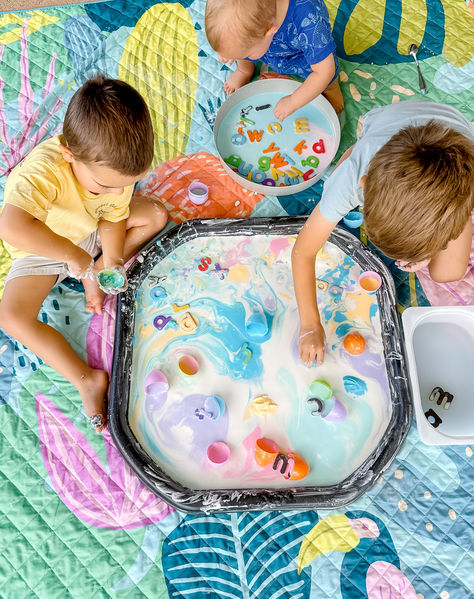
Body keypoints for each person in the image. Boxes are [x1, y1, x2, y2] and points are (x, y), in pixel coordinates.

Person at [0, 76, 167, 432]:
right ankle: (85, 380)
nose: (120, 189)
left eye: (127, 183)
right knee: (12, 316)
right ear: (68, 155)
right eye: (109, 184)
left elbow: (114, 215)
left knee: (155, 215)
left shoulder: (112, 173)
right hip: (43, 248)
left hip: (87, 232)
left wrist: (111, 259)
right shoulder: (43, 171)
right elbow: (12, 228)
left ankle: (95, 269)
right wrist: (72, 257)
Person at [292, 100, 474, 366]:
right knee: (345, 173)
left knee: (448, 274)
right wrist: (309, 323)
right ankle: (360, 145)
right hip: (383, 124)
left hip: (456, 142)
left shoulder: (467, 185)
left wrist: (426, 255)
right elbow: (303, 250)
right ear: (364, 187)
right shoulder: (351, 180)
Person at [205, 0, 344, 120]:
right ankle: (244, 70)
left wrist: (294, 101)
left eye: (244, 54)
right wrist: (228, 50)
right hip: (265, 42)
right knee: (244, 47)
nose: (229, 59)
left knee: (327, 78)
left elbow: (325, 71)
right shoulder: (259, 24)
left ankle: (332, 89)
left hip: (301, 54)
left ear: (270, 31)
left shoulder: (310, 24)